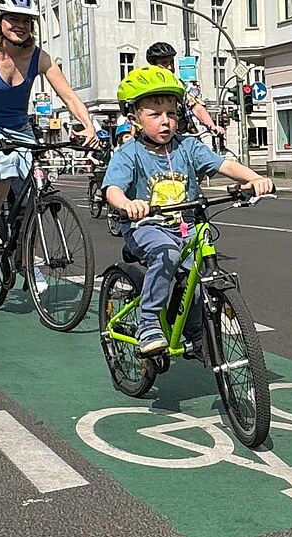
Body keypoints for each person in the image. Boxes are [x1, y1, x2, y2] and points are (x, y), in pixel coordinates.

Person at [102, 67, 273, 358]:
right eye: (155, 115)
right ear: (134, 119)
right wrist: (127, 204)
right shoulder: (129, 154)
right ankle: (148, 324)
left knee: (199, 278)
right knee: (166, 253)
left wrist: (253, 178)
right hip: (146, 226)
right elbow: (113, 189)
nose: (165, 121)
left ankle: (193, 332)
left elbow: (224, 166)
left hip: (186, 225)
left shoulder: (188, 146)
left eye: (171, 113)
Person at [0, 0, 98, 251]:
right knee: (6, 160)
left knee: (33, 190)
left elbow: (69, 96)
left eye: (26, 21)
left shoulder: (39, 57)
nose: (21, 26)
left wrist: (89, 125)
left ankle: (27, 261)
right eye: (13, 19)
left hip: (18, 127)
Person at [143, 42, 228, 149]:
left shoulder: (181, 85)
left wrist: (212, 126)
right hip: (156, 140)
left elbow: (196, 107)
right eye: (164, 63)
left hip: (182, 138)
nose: (169, 67)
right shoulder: (146, 87)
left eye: (172, 62)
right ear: (154, 66)